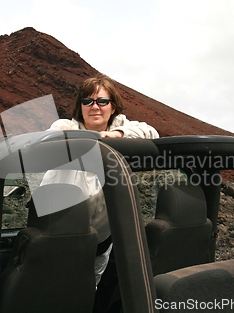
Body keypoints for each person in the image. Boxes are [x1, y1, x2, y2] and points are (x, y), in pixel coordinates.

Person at [42, 73, 159, 285]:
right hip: (60, 232)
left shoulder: (121, 127)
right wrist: (90, 137)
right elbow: (50, 137)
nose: (94, 106)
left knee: (88, 289)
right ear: (81, 107)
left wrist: (117, 136)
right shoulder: (66, 126)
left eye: (102, 101)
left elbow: (151, 133)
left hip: (102, 238)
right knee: (54, 287)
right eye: (87, 101)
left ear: (112, 107)